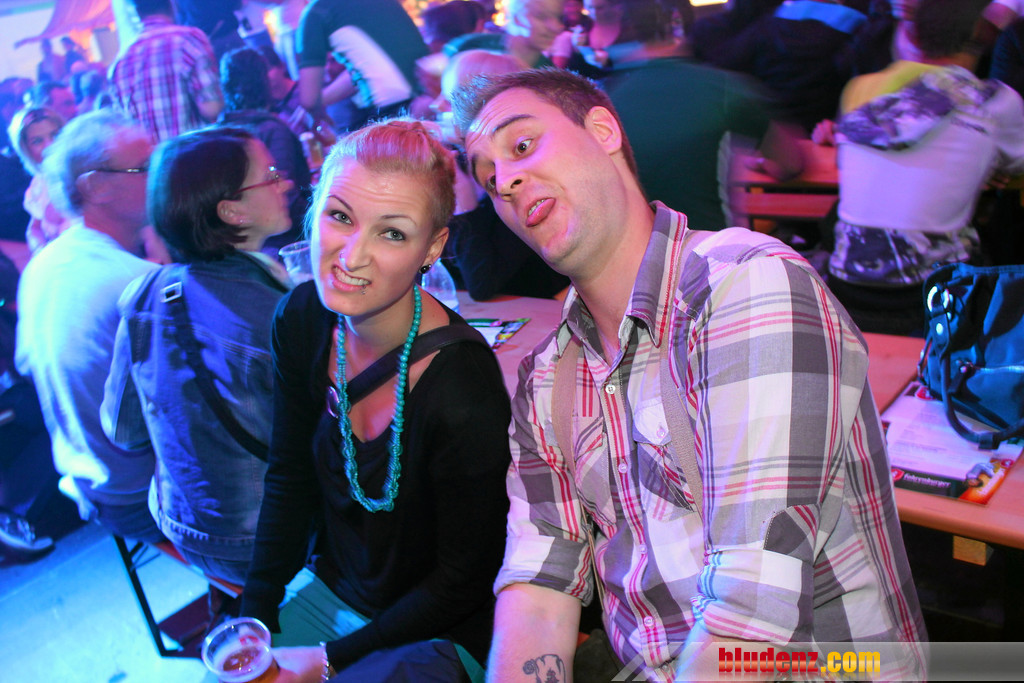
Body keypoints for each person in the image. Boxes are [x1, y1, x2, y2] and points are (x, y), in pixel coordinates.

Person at [452, 68, 927, 680]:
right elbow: (539, 582)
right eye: (488, 179)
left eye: (521, 145)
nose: (506, 180)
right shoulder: (547, 375)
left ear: (603, 131)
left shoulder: (745, 288)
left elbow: (748, 613)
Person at [238, 120, 511, 680]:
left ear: (432, 248)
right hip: (334, 590)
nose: (351, 256)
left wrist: (329, 660)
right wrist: (254, 615)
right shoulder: (302, 318)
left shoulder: (462, 386)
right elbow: (289, 474)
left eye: (392, 233)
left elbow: (463, 579)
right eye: (340, 217)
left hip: (439, 629)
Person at [101, 127, 292, 585]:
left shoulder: (143, 293)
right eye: (269, 175)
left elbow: (124, 431)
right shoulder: (278, 314)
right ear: (231, 211)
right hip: (269, 541)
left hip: (184, 528)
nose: (284, 182)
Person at [823, 0, 1024, 334]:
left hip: (847, 290)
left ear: (913, 36)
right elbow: (1018, 166)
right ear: (979, 37)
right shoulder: (993, 102)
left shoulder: (865, 99)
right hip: (933, 297)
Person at [15, 110, 162, 544]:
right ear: (96, 186)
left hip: (94, 488)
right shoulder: (133, 281)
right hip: (148, 497)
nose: (160, 175)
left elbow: (27, 365)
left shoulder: (42, 266)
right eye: (144, 167)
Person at [602, 0, 804, 231]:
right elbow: (791, 163)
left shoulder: (604, 100)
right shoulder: (724, 90)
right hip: (709, 245)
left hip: (635, 249)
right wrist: (760, 162)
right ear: (679, 24)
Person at [219, 47, 313, 252]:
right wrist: (321, 216)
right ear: (263, 81)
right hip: (286, 243)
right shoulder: (271, 130)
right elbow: (284, 194)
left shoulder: (219, 133)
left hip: (245, 242)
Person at [294, 0, 428, 130]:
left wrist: (317, 113)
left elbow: (309, 101)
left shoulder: (316, 12)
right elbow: (366, 70)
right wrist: (320, 100)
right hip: (429, 95)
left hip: (393, 111)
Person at [109, 0, 224, 142]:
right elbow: (212, 107)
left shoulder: (120, 61)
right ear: (172, 4)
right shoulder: (188, 39)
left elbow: (124, 127)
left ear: (137, 13)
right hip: (192, 149)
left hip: (151, 155)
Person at [7, 107, 70, 254]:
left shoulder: (83, 172)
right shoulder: (38, 185)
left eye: (55, 135)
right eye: (37, 141)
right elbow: (33, 229)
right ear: (25, 149)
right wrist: (40, 249)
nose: (49, 145)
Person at [445, 0, 565, 69]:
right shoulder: (471, 46)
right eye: (541, 16)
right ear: (516, 18)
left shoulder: (548, 73)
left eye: (558, 17)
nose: (556, 27)